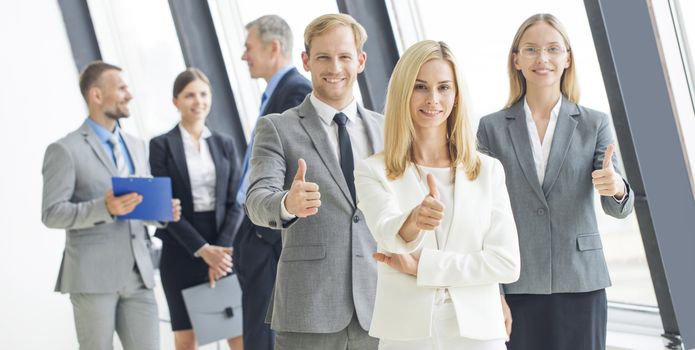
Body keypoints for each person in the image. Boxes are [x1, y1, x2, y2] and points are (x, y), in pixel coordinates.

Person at [476, 13, 635, 350]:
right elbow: (481, 213)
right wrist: (493, 289)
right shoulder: (490, 128)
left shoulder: (595, 123)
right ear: (516, 59)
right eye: (531, 49)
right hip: (517, 282)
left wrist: (615, 186)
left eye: (552, 49)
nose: (542, 59)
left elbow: (618, 206)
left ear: (567, 58)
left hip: (581, 281)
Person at [354, 40, 521, 350]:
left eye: (444, 87)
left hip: (478, 333)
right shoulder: (372, 170)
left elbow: (506, 263)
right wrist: (415, 221)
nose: (433, 99)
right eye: (420, 87)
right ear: (403, 92)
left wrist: (425, 267)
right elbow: (389, 233)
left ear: (456, 96)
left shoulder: (488, 171)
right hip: (407, 334)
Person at [244, 13, 383, 350]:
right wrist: (287, 204)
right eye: (323, 57)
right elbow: (256, 199)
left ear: (360, 61)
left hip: (379, 307)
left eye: (344, 57)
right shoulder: (277, 127)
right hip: (310, 310)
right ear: (306, 61)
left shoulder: (386, 129)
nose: (335, 67)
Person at [41, 61, 181, 350]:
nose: (129, 95)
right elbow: (52, 213)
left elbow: (136, 205)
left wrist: (162, 212)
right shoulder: (65, 150)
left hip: (139, 275)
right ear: (96, 95)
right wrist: (104, 209)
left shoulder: (136, 145)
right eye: (121, 88)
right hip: (93, 278)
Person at [149, 68, 244, 350]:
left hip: (223, 248)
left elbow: (236, 201)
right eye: (189, 95)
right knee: (186, 339)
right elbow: (165, 208)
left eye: (203, 94)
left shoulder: (224, 144)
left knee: (237, 335)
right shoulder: (161, 146)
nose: (198, 101)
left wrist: (219, 253)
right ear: (175, 101)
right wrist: (203, 250)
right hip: (181, 249)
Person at [235, 14, 312, 350]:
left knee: (263, 335)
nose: (243, 56)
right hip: (256, 228)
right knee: (258, 330)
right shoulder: (276, 92)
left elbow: (300, 162)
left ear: (274, 47)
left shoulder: (295, 91)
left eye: (248, 47)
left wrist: (263, 232)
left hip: (268, 234)